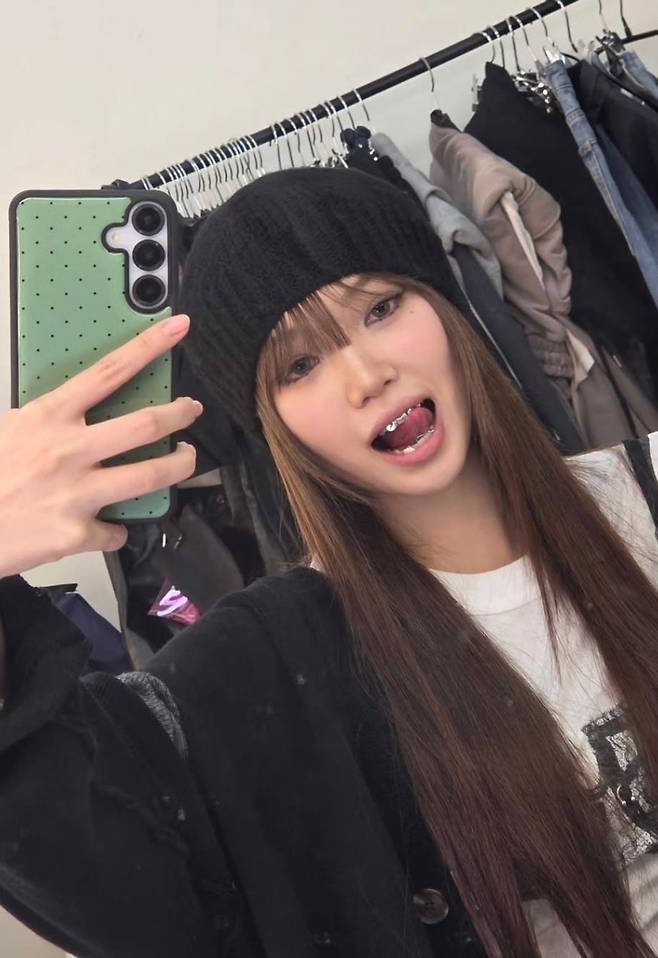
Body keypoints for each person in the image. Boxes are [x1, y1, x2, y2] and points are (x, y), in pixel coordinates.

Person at [0, 167, 657, 958]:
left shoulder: (642, 493)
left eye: (381, 309)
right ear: (270, 424)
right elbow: (79, 849)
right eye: (299, 366)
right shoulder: (274, 660)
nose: (365, 377)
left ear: (447, 305)